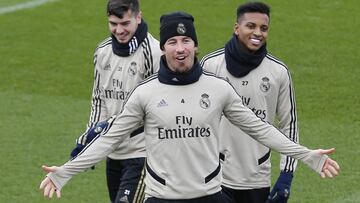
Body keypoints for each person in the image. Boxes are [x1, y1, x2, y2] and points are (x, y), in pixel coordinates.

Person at [40, 11, 340, 203]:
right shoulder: (146, 93)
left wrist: (308, 157)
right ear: (163, 48)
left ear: (195, 46)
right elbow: (109, 139)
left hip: (210, 196)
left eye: (186, 40)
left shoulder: (218, 88)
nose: (180, 48)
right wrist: (65, 172)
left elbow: (261, 129)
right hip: (161, 198)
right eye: (172, 41)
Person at [200, 2, 300, 203]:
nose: (258, 33)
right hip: (213, 176)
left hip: (256, 178)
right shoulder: (211, 65)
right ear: (237, 28)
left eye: (264, 28)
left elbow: (290, 125)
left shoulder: (278, 72)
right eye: (251, 26)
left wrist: (286, 176)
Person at [69, 0, 162, 202]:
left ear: (138, 17)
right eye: (113, 24)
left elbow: (158, 108)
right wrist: (92, 139)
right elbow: (98, 99)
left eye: (125, 23)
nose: (119, 30)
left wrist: (110, 127)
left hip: (142, 153)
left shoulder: (153, 53)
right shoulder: (102, 51)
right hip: (113, 151)